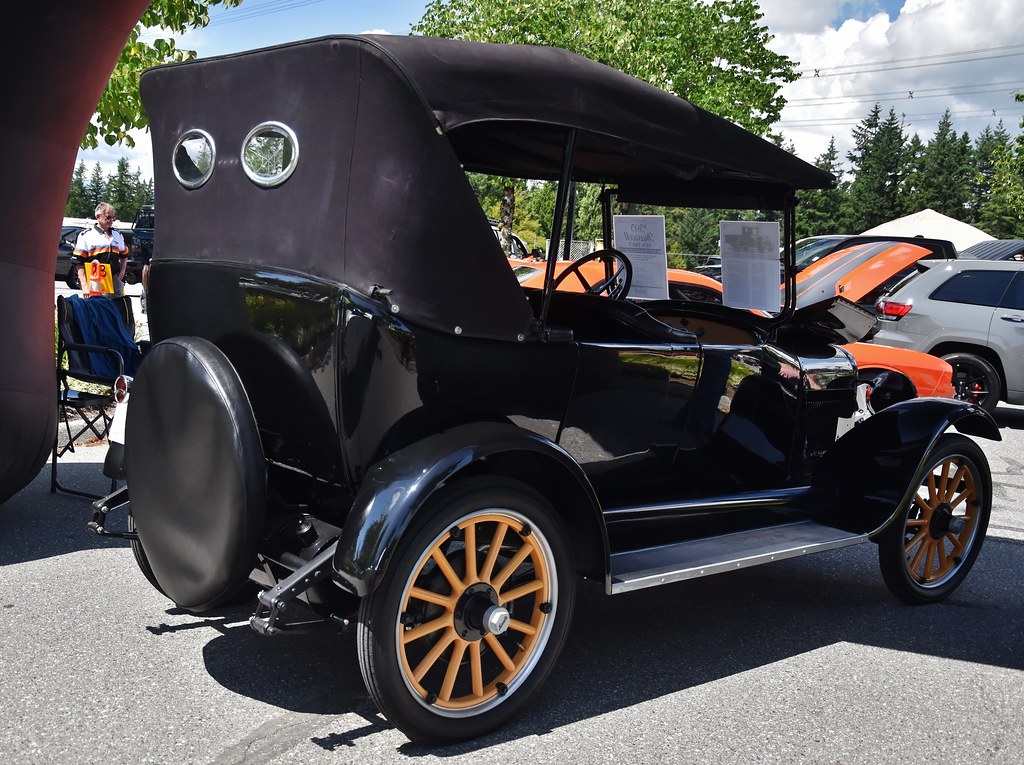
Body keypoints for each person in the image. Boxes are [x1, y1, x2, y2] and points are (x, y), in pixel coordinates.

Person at [71, 202, 128, 298]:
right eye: (108, 217)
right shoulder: (86, 235)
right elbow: (78, 262)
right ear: (98, 217)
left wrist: (122, 272)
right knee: (97, 310)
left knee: (117, 310)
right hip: (95, 281)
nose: (112, 220)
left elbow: (124, 254)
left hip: (114, 280)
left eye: (113, 217)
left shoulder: (117, 235)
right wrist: (84, 286)